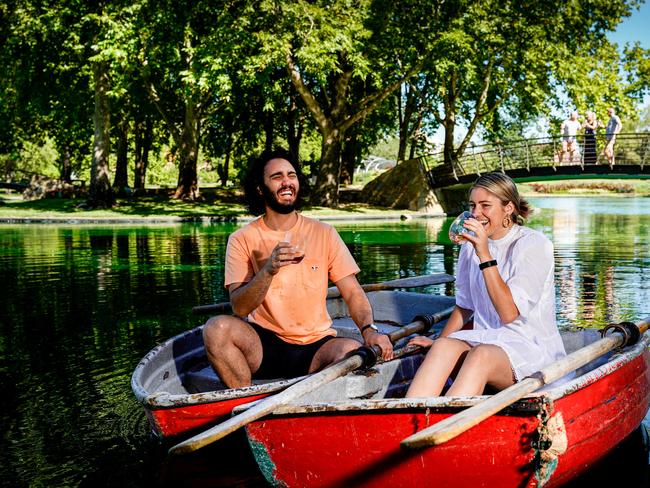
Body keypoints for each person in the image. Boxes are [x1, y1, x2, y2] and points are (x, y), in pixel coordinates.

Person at [203, 148, 393, 388]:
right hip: (263, 345)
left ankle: (306, 403)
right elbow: (239, 307)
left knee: (351, 351)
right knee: (216, 329)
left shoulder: (324, 233)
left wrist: (369, 330)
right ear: (260, 189)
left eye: (291, 175)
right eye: (276, 177)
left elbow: (353, 292)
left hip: (316, 346)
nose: (286, 182)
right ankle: (245, 406)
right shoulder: (242, 238)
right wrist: (268, 271)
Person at [406, 172, 566, 398]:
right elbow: (464, 307)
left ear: (508, 208)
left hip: (529, 347)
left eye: (485, 206)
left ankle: (447, 430)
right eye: (472, 206)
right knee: (443, 347)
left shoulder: (533, 245)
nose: (475, 214)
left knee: (480, 355)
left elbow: (508, 313)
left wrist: (484, 253)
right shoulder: (469, 246)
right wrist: (438, 340)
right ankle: (410, 423)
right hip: (486, 339)